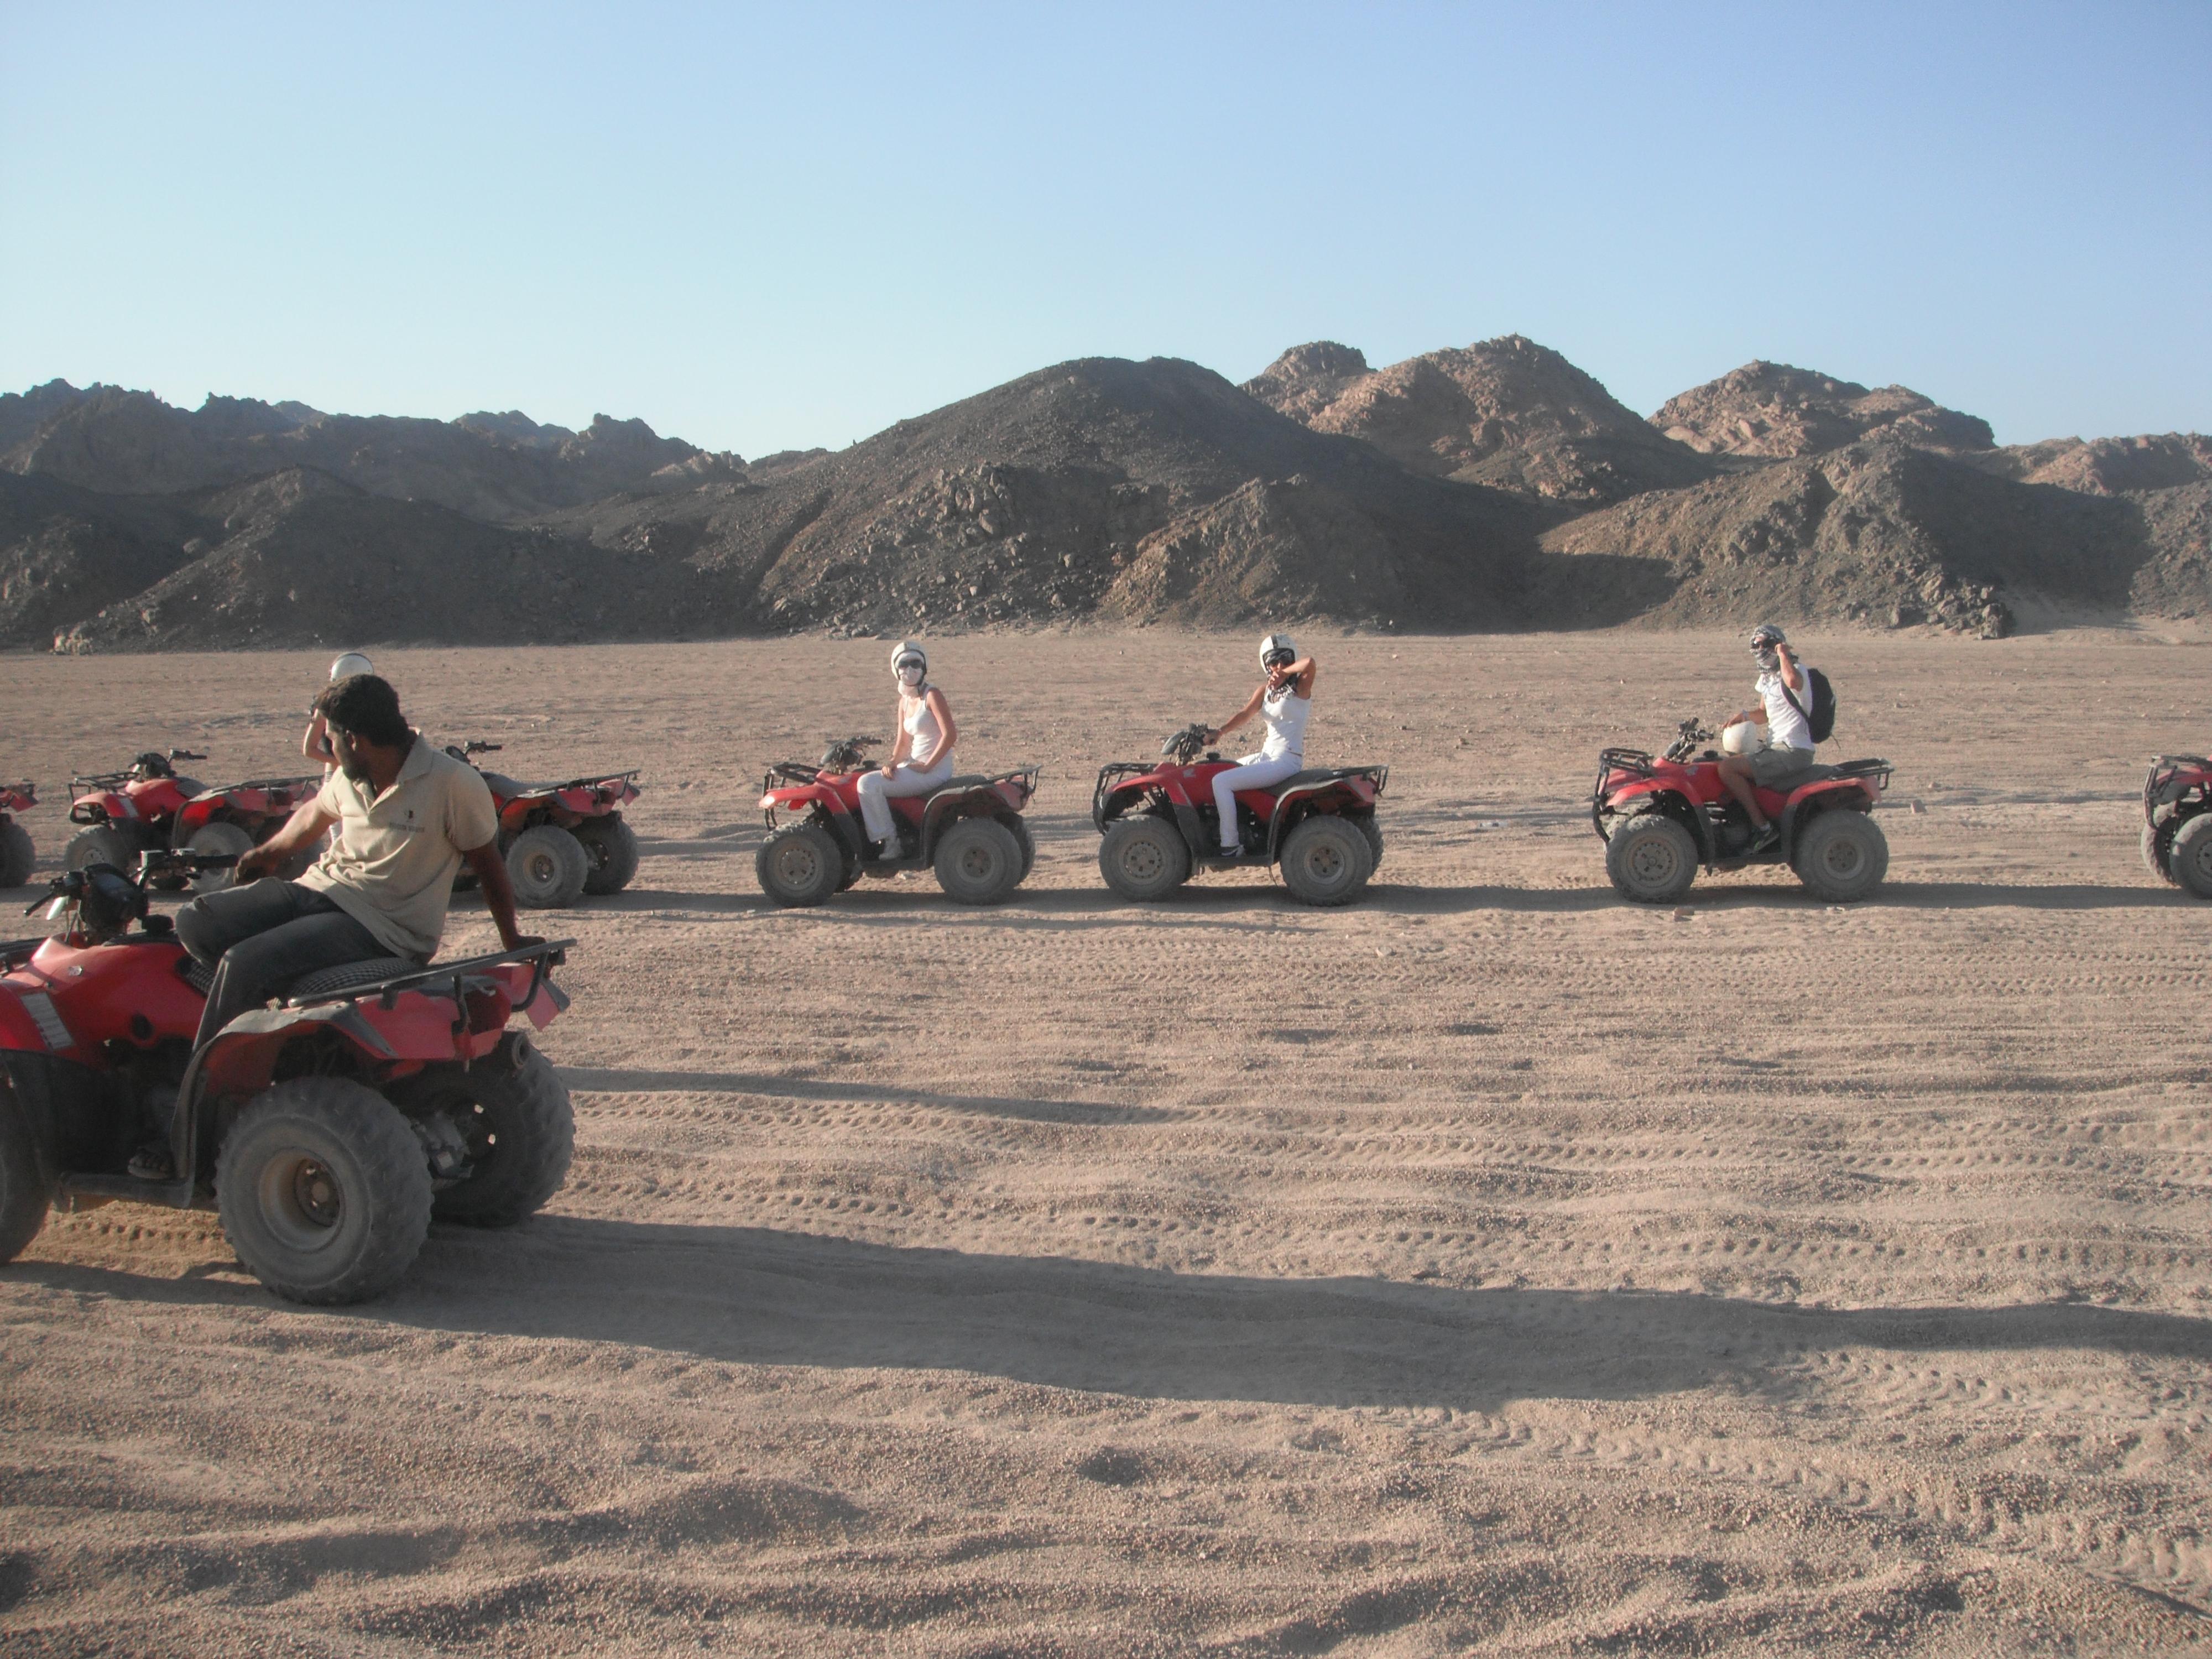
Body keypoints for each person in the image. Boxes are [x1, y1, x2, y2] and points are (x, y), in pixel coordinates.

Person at [1204, 633, 1316, 857]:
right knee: (1219, 771)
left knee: (1221, 782)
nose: (1279, 666)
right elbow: (1245, 714)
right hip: (1268, 755)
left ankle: (1230, 846)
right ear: (1266, 666)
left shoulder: (1300, 689)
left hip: (1286, 759)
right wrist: (1220, 732)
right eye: (1274, 662)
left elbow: (1310, 663)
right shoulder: (1265, 692)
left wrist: (1285, 673)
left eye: (1285, 661)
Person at [1718, 624, 1817, 853]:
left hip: (1793, 750)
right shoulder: (1767, 679)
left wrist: (1783, 654)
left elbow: (1794, 683)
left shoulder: (1796, 669)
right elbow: (1763, 715)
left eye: (1767, 644)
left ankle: (1763, 828)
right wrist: (1743, 716)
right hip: (1776, 747)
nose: (1762, 649)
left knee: (1727, 769)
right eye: (1756, 645)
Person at [854, 640, 957, 857]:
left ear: (924, 667)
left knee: (867, 784)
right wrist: (892, 763)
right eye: (904, 664)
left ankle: (891, 842)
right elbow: (903, 743)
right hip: (913, 765)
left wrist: (928, 766)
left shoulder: (932, 695)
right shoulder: (904, 702)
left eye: (916, 663)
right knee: (868, 777)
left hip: (934, 770)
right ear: (896, 669)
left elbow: (950, 735)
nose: (910, 669)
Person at [302, 651, 375, 770]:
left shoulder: (374, 703)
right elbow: (309, 749)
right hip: (338, 771)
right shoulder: (325, 707)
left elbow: (309, 750)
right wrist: (343, 764)